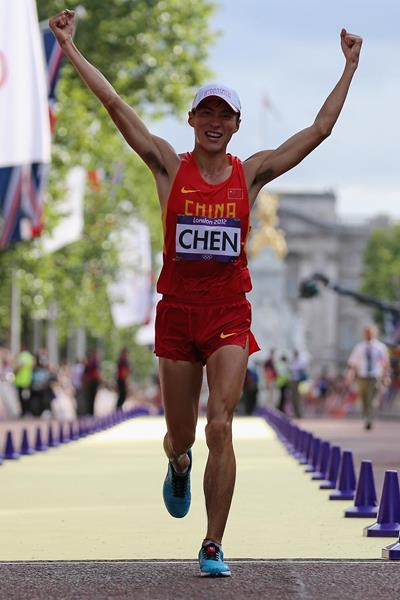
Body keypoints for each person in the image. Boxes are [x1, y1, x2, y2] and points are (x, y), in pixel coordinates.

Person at [49, 9, 362, 576]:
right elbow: (116, 105)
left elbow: (318, 131)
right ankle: (178, 463)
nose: (215, 121)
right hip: (176, 313)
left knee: (222, 421)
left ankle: (213, 542)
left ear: (236, 125)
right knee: (180, 434)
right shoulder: (169, 165)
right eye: (207, 112)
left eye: (226, 114)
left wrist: (350, 66)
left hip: (227, 312)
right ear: (193, 118)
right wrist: (69, 48)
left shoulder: (251, 174)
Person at [346, 324, 390, 430]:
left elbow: (385, 363)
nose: (368, 335)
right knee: (364, 399)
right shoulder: (359, 347)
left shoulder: (380, 347)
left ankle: (369, 419)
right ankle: (366, 416)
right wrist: (350, 376)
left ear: (375, 334)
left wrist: (386, 376)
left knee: (372, 399)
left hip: (375, 376)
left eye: (371, 333)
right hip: (362, 376)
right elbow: (353, 364)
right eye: (367, 333)